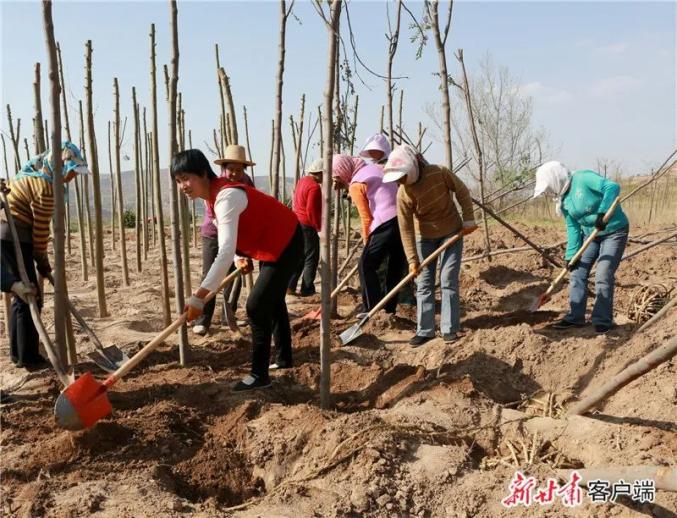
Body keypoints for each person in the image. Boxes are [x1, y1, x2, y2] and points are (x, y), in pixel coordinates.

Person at [171, 148, 303, 391]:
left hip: (287, 240)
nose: (183, 186)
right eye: (178, 181)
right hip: (271, 242)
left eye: (186, 178)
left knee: (256, 306)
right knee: (271, 301)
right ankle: (284, 359)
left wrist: (199, 297)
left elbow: (222, 253)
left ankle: (258, 375)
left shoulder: (226, 197)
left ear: (202, 173)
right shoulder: (211, 197)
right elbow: (228, 242)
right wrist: (240, 256)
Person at [0, 142, 88, 368]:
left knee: (25, 296)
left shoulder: (34, 175)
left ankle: (19, 355)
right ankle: (28, 358)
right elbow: (40, 231)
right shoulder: (46, 189)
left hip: (10, 235)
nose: (72, 178)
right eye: (71, 172)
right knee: (29, 296)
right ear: (59, 167)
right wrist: (42, 261)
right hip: (13, 237)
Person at [382, 144, 477, 347]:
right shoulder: (403, 194)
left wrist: (468, 219)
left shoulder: (439, 173)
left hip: (451, 233)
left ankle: (449, 329)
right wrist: (412, 260)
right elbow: (405, 228)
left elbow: (461, 191)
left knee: (448, 279)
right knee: (424, 283)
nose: (399, 182)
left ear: (413, 168)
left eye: (401, 177)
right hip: (423, 239)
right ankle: (425, 330)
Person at [532, 161, 629, 334]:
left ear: (555, 178)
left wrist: (603, 212)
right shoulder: (564, 201)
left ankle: (602, 321)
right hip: (590, 236)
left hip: (614, 231)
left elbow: (612, 187)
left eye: (548, 188)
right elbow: (573, 228)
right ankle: (575, 317)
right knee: (577, 271)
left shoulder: (583, 178)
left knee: (603, 273)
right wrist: (571, 256)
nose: (548, 192)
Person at [332, 153, 406, 317]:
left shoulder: (356, 184)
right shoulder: (376, 168)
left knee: (365, 265)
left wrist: (367, 240)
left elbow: (366, 218)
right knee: (394, 267)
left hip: (385, 222)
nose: (339, 182)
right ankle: (389, 309)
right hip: (402, 219)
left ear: (344, 171)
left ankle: (371, 309)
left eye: (338, 177)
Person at [193, 144, 255, 336]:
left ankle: (230, 313)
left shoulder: (247, 183)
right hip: (213, 232)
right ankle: (203, 320)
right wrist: (232, 251)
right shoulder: (216, 184)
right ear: (223, 169)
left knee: (236, 273)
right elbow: (215, 217)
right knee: (211, 273)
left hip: (239, 232)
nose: (234, 174)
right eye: (231, 170)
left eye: (238, 170)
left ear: (244, 169)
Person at [288, 158, 323, 297]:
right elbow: (311, 211)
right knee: (311, 257)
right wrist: (318, 227)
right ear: (319, 173)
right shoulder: (314, 187)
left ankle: (290, 286)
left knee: (300, 257)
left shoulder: (302, 181)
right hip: (307, 225)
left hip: (297, 222)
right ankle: (307, 289)